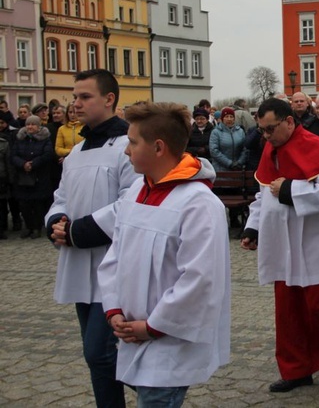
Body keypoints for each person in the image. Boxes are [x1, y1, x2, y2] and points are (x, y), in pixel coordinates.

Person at [98, 102, 231, 407]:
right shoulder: (135, 192)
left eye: (133, 142)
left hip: (169, 341)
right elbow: (114, 258)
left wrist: (154, 326)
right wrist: (114, 310)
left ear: (158, 147)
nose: (126, 152)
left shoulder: (198, 203)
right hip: (131, 332)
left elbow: (200, 279)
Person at [240, 98, 319, 393]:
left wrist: (290, 189)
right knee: (288, 309)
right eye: (261, 130)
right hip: (282, 242)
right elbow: (264, 192)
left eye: (270, 129)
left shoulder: (317, 147)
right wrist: (253, 227)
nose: (265, 136)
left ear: (289, 121)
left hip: (316, 242)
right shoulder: (271, 148)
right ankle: (296, 369)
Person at [46, 68, 137, 408]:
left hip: (112, 263)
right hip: (78, 262)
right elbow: (61, 197)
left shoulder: (129, 144)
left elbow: (132, 201)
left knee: (98, 352)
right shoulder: (79, 149)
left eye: (85, 97)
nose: (75, 104)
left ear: (109, 99)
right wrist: (56, 221)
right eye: (74, 97)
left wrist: (77, 231)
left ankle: (158, 394)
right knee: (96, 353)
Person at [11, 115, 54, 238]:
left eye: (33, 124)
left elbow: (47, 154)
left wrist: (33, 164)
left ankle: (36, 227)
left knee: (38, 204)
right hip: (23, 177)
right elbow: (13, 155)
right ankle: (28, 226)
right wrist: (23, 164)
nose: (30, 127)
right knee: (24, 204)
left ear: (38, 126)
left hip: (39, 176)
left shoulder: (45, 139)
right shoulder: (20, 138)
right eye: (28, 124)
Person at [0, 118, 12, 240]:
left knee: (2, 206)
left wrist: (10, 178)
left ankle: (2, 229)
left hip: (1, 177)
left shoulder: (3, 143)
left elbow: (8, 162)